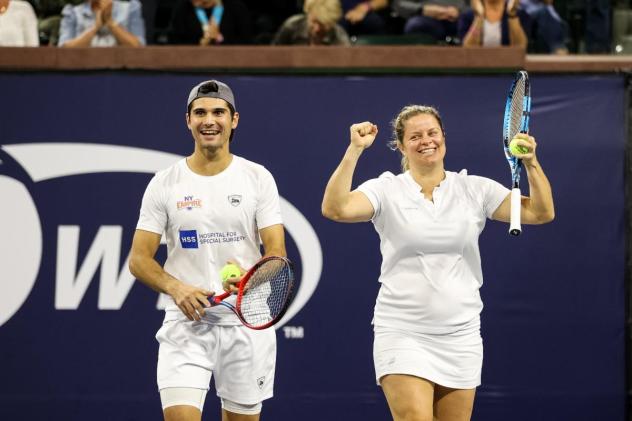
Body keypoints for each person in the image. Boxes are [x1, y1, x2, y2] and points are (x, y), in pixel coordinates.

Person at [321, 105, 554, 420]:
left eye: (432, 133)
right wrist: (354, 150)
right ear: (401, 146)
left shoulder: (474, 189)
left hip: (461, 334)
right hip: (402, 330)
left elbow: (541, 212)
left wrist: (531, 163)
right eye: (414, 136)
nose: (426, 141)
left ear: (444, 136)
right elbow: (336, 209)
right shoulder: (386, 189)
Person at [129, 80, 286, 421]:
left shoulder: (258, 178)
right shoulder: (164, 182)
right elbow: (139, 260)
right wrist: (177, 288)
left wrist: (250, 280)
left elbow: (277, 256)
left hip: (245, 324)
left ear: (234, 120)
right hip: (187, 324)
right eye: (200, 113)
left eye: (218, 112)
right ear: (188, 120)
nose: (209, 120)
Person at [58, 0, 145, 47]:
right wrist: (95, 28)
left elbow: (138, 46)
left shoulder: (130, 9)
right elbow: (63, 50)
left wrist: (110, 23)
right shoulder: (72, 13)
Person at [168, 0, 253, 45]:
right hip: (192, 61)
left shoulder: (236, 7)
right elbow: (175, 39)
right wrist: (199, 43)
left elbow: (246, 39)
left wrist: (224, 40)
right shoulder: (183, 8)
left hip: (231, 62)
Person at [272, 0, 350, 46]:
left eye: (322, 25)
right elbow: (273, 56)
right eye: (314, 22)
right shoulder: (292, 26)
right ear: (308, 13)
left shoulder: (339, 36)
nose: (317, 29)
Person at [459, 0, 530, 48]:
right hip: (477, 64)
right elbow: (468, 48)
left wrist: (512, 15)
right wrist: (479, 18)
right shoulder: (467, 16)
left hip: (509, 64)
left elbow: (520, 47)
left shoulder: (520, 15)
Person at [391, 0, 466, 43]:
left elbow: (474, 4)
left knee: (471, 21)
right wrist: (422, 9)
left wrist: (460, 11)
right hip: (425, 17)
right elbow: (398, 3)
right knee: (416, 25)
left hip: (462, 17)